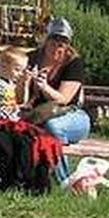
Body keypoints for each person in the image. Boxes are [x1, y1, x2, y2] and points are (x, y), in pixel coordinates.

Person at [22, 17, 89, 183]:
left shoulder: (74, 63)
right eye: (54, 41)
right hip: (37, 115)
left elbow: (64, 99)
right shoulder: (30, 58)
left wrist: (44, 86)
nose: (58, 46)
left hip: (72, 115)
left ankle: (65, 181)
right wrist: (24, 82)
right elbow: (19, 98)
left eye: (63, 42)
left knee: (52, 127)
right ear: (46, 40)